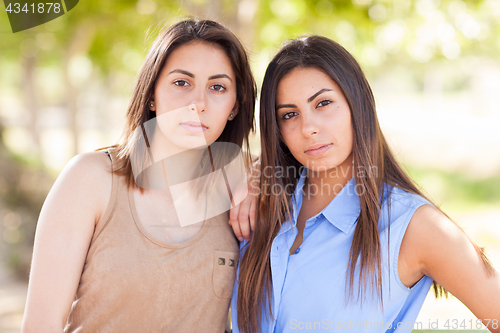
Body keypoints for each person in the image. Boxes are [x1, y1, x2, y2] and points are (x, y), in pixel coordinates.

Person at [230, 35, 500, 333]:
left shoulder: (415, 226)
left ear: (357, 103)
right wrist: (254, 173)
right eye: (290, 114)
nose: (308, 128)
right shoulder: (259, 204)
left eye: (323, 103)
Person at [22, 18, 256, 332]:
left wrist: (255, 178)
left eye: (217, 87)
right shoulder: (90, 180)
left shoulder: (241, 187)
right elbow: (41, 326)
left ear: (235, 107)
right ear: (151, 94)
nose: (198, 104)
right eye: (181, 83)